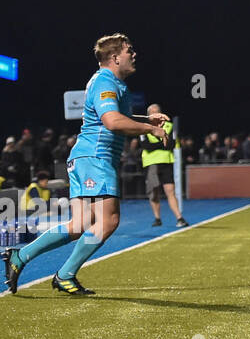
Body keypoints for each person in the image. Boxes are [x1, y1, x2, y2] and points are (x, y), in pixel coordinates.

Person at [4, 34, 169, 296]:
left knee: (80, 224)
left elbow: (111, 116)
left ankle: (20, 256)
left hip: (84, 157)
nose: (134, 54)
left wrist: (146, 118)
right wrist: (150, 128)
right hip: (96, 158)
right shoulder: (105, 80)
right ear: (115, 58)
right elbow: (112, 122)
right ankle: (65, 274)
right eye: (129, 50)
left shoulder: (109, 82)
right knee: (109, 220)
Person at [140, 103, 188, 228]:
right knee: (154, 192)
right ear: (148, 115)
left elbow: (171, 144)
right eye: (152, 113)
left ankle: (179, 217)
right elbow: (146, 146)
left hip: (166, 162)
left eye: (157, 112)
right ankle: (157, 218)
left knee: (170, 191)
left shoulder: (169, 126)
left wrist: (161, 143)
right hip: (151, 164)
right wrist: (163, 142)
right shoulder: (143, 127)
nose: (155, 115)